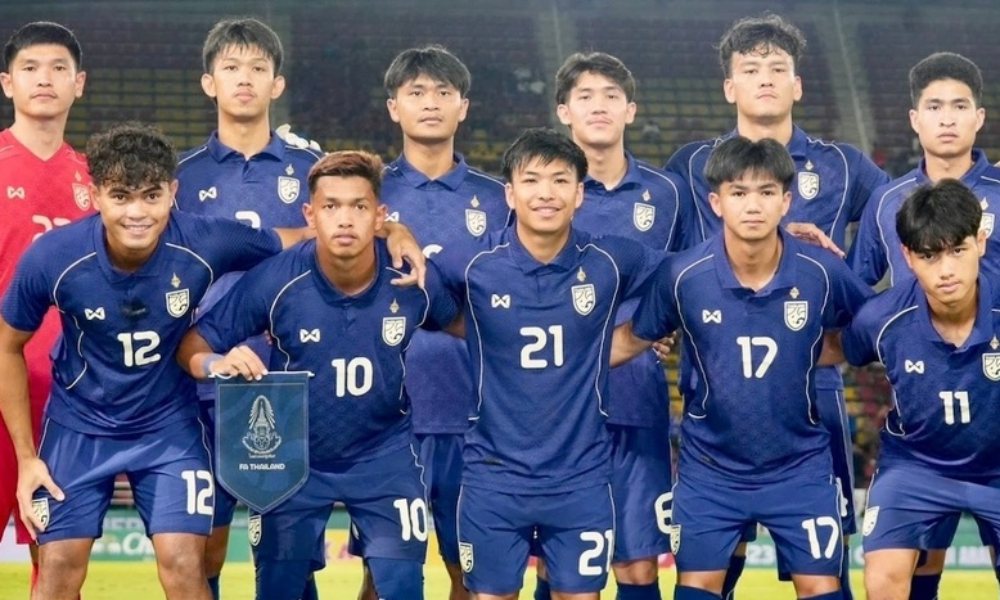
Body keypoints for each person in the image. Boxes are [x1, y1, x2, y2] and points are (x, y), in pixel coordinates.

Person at [0, 122, 303, 600]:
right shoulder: (54, 256)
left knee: (185, 566)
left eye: (151, 196)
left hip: (168, 429)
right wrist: (26, 458)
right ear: (95, 196)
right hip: (79, 427)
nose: (137, 213)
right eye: (121, 196)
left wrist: (389, 229)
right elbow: (6, 346)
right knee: (56, 573)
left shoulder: (203, 240)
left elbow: (300, 238)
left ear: (173, 194)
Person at [663, 16, 888, 596]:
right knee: (716, 561)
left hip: (812, 387)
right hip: (716, 382)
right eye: (750, 68)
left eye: (777, 68)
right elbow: (664, 252)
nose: (765, 78)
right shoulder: (691, 164)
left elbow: (902, 215)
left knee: (824, 565)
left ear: (798, 85)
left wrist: (848, 271)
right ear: (729, 87)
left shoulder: (842, 164)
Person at [177, 150, 457, 600]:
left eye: (359, 206)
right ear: (310, 214)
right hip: (290, 457)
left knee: (403, 588)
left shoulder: (412, 277)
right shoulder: (276, 280)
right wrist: (216, 364)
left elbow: (468, 325)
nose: (344, 219)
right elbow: (193, 345)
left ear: (380, 216)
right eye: (331, 206)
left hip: (384, 455)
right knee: (278, 591)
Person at [615, 136, 872, 600]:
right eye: (738, 192)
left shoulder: (821, 271)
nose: (753, 205)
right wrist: (551, 364)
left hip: (800, 468)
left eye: (766, 192)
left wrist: (819, 347)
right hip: (710, 470)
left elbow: (876, 328)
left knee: (822, 587)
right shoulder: (683, 275)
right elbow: (631, 338)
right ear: (716, 202)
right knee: (697, 588)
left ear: (786, 201)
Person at [430, 128, 664, 600]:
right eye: (532, 180)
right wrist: (395, 234)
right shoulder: (471, 261)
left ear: (579, 194)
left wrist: (644, 332)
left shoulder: (611, 258)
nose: (546, 193)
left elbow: (689, 274)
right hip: (493, 477)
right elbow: (422, 293)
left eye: (560, 181)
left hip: (581, 478)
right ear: (510, 194)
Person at [173, 18, 324, 599]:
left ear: (276, 84)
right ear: (208, 83)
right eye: (231, 67)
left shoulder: (312, 170)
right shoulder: (180, 177)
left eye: (258, 68)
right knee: (201, 550)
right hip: (200, 384)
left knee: (288, 558)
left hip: (290, 383)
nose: (245, 79)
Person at [354, 44, 510, 600]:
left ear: (463, 107)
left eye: (444, 92)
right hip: (386, 418)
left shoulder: (500, 199)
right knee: (383, 575)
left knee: (472, 574)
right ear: (393, 106)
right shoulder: (365, 195)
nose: (430, 103)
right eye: (416, 92)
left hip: (477, 417)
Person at [532, 51, 688, 600]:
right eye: (585, 96)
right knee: (558, 567)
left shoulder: (667, 193)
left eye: (611, 96)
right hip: (555, 411)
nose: (599, 106)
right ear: (564, 112)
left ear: (631, 110)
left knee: (639, 567)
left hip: (637, 401)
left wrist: (664, 324)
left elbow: (693, 276)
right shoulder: (541, 193)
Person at [847, 51, 1000, 599]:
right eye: (934, 107)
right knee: (907, 572)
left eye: (959, 106)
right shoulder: (888, 202)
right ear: (915, 118)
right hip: (923, 404)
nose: (947, 118)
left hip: (990, 390)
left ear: (979, 116)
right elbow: (855, 294)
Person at [0, 21, 92, 596]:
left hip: (66, 398)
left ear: (79, 84)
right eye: (30, 68)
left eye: (59, 68)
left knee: (58, 569)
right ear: (7, 83)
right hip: (1, 383)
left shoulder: (96, 181)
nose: (44, 79)